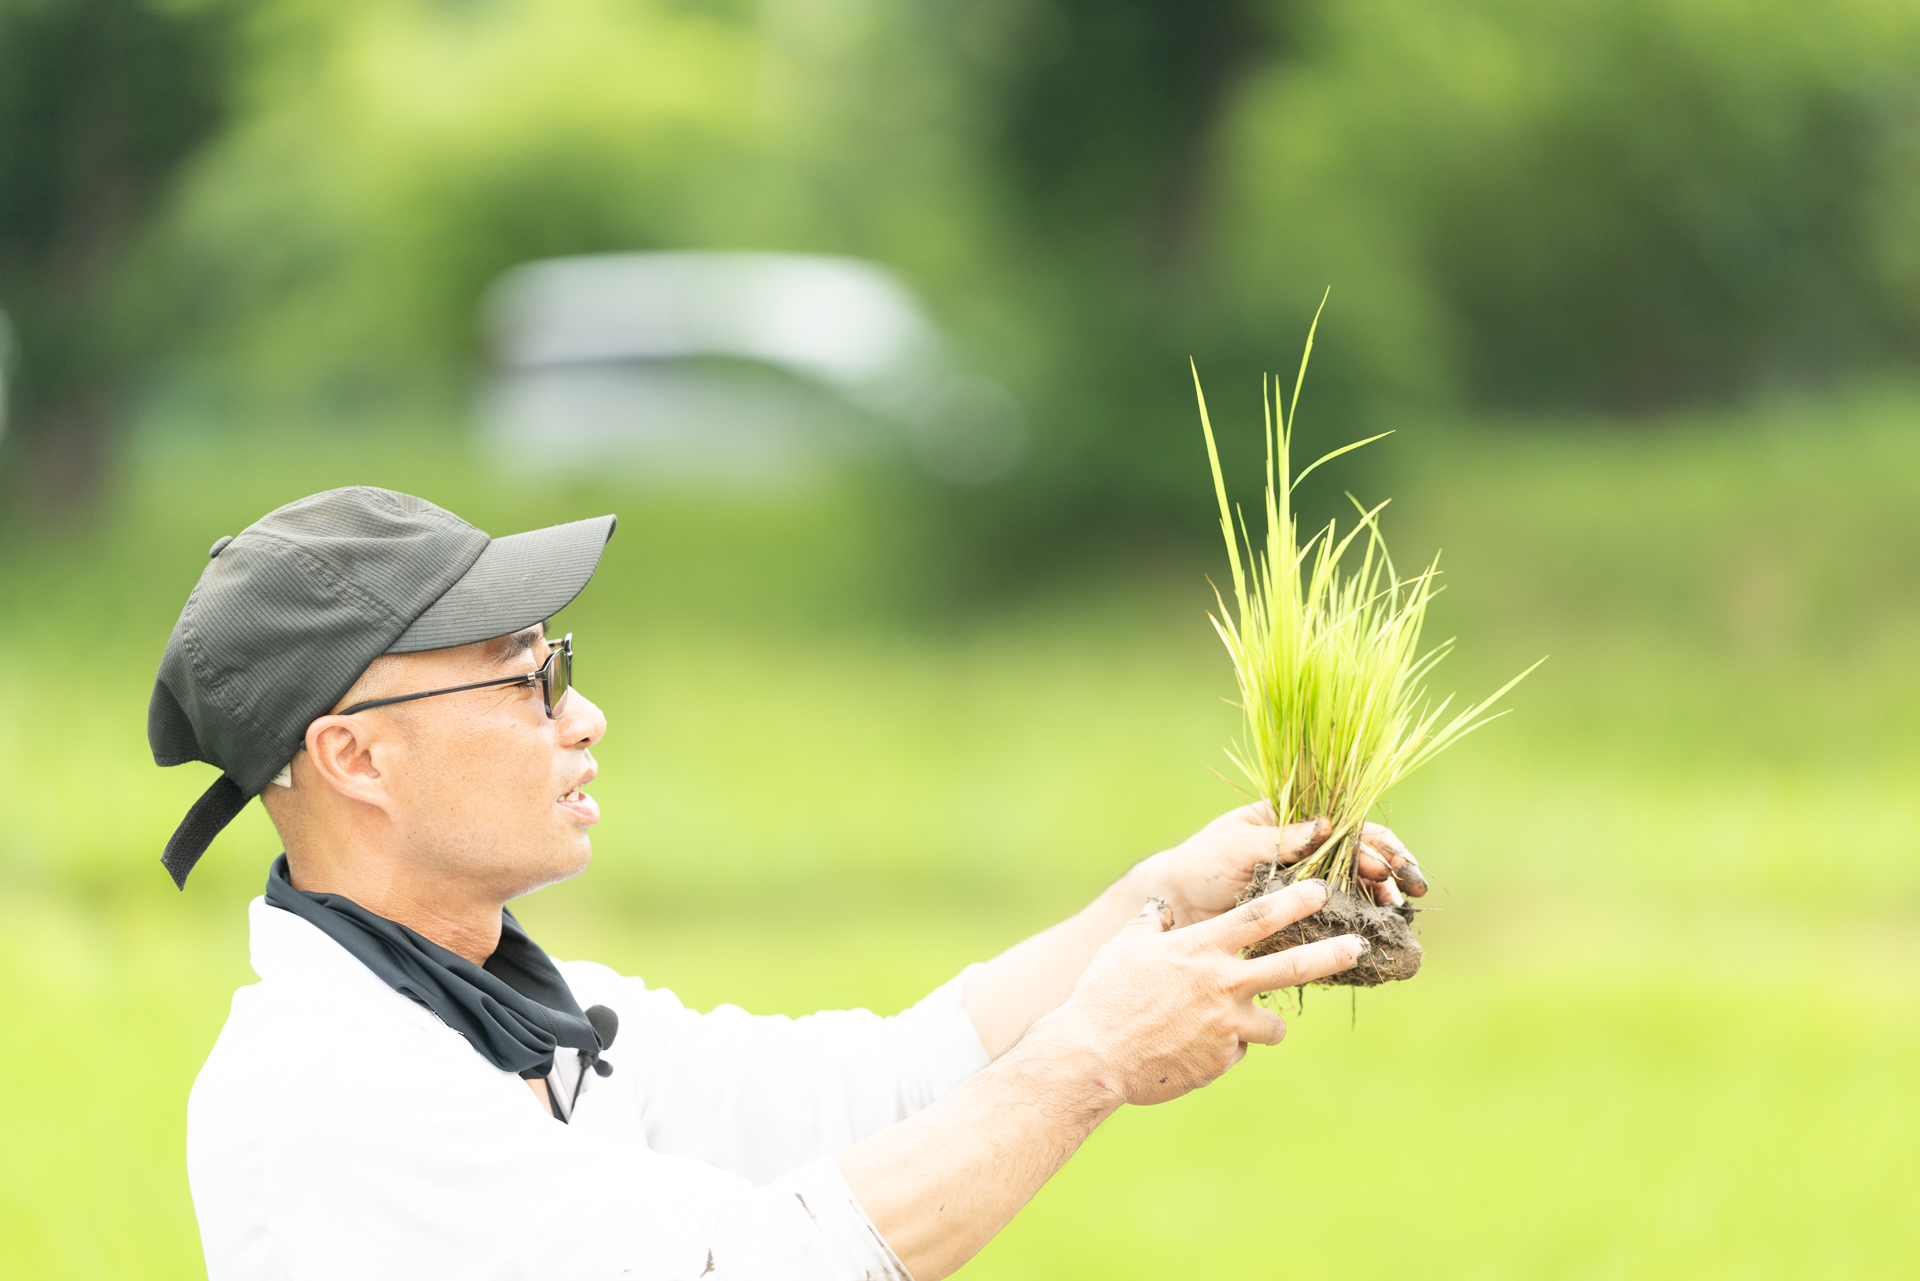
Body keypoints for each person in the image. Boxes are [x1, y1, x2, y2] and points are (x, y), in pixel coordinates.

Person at [151, 486, 1429, 1281]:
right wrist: (1090, 1062)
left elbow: (869, 1089)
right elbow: (748, 1269)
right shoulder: (336, 1090)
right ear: (354, 756)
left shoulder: (533, 1011)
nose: (583, 715)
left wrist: (1157, 903)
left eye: (564, 661)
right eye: (523, 675)